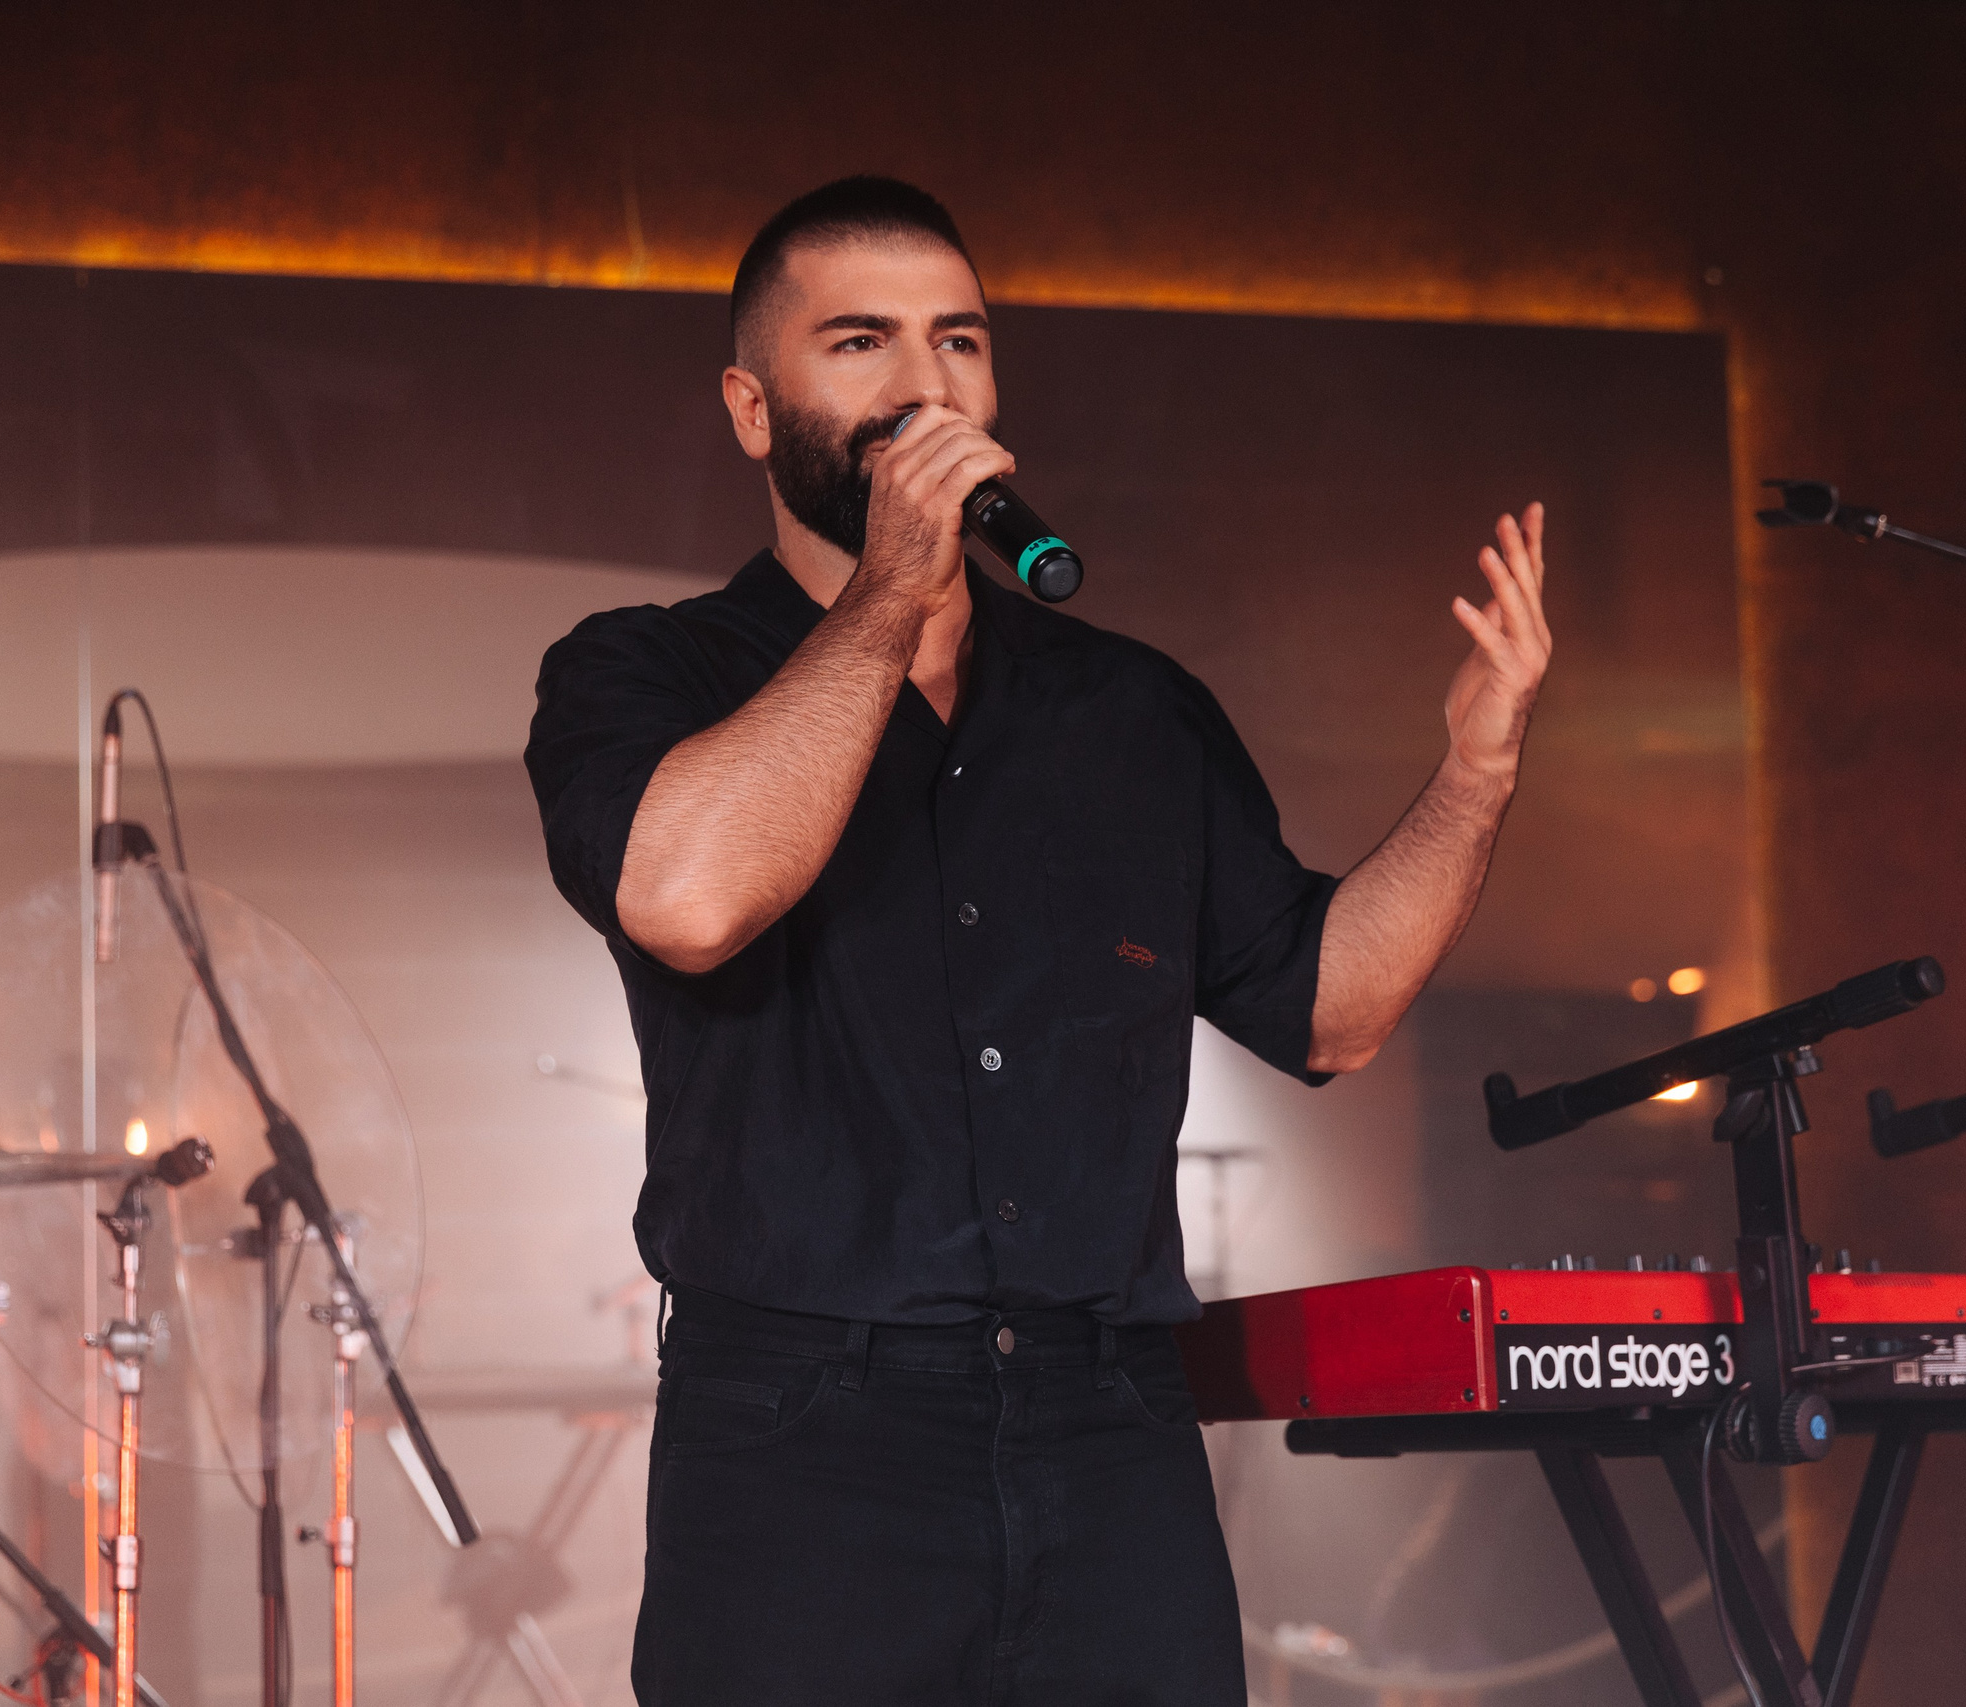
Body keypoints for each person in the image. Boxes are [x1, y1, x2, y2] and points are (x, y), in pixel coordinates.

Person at [524, 175, 1551, 1707]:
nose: (926, 386)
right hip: (809, 1438)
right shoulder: (644, 673)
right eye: (862, 342)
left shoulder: (1128, 713)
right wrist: (890, 592)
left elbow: (1328, 1009)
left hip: (1108, 1426)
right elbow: (691, 898)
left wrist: (1474, 777)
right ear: (753, 406)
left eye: (962, 343)